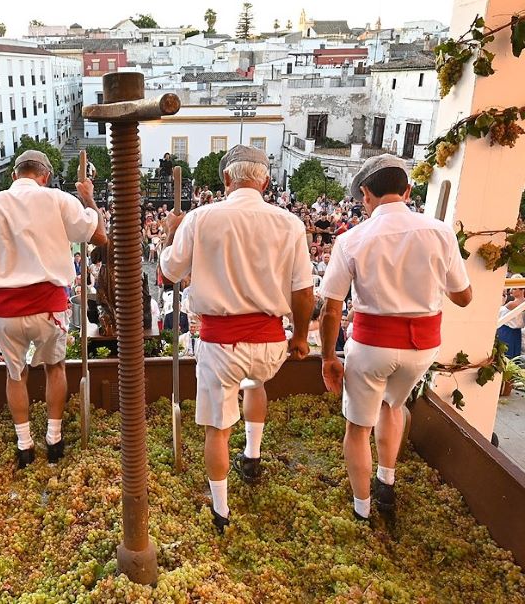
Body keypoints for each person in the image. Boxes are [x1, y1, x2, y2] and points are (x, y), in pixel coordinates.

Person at [159, 145, 315, 533]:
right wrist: (298, 337)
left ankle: (221, 511)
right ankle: (253, 455)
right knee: (257, 383)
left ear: (226, 179)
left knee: (218, 427)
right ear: (265, 181)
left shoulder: (199, 218)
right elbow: (303, 291)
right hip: (269, 345)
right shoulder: (290, 223)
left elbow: (169, 272)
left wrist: (170, 233)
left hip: (220, 345)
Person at [318, 154, 472, 522]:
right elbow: (464, 297)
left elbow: (331, 308)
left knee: (358, 427)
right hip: (421, 348)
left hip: (372, 346)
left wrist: (327, 358)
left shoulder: (351, 239)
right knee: (392, 405)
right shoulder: (440, 232)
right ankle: (386, 481)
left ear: (366, 194)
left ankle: (362, 508)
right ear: (406, 191)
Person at [0, 150, 107, 468]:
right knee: (54, 369)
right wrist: (88, 198)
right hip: (49, 307)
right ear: (46, 176)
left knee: (16, 374)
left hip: (5, 309)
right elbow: (100, 236)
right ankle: (53, 438)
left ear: (14, 175)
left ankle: (24, 444)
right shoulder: (57, 199)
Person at [497, 280, 524, 358]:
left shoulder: (512, 304)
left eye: (515, 289)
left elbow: (498, 313)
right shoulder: (517, 303)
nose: (511, 291)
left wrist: (503, 300)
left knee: (506, 355)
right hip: (515, 333)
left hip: (507, 331)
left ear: (522, 290)